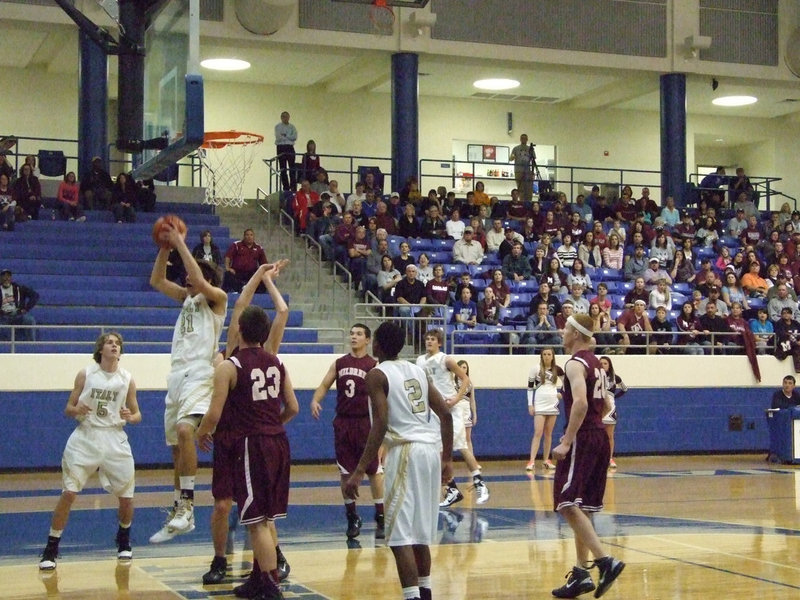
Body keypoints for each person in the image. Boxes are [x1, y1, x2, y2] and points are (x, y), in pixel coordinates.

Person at [196, 304, 299, 600]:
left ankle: (269, 584)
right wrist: (271, 424)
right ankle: (258, 577)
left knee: (256, 522)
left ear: (239, 329)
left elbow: (214, 415)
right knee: (266, 518)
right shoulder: (277, 363)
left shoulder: (229, 366)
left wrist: (201, 432)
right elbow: (293, 407)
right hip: (278, 442)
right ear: (265, 334)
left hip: (252, 444)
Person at [343, 321, 453, 600]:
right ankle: (425, 592)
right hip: (430, 451)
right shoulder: (418, 370)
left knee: (399, 535)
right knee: (419, 533)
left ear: (377, 345)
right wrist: (448, 460)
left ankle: (412, 597)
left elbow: (379, 424)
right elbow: (447, 415)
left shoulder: (376, 374)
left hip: (406, 451)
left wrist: (358, 471)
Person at [149, 223, 228, 543]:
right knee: (175, 450)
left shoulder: (217, 300)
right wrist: (165, 248)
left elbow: (196, 278)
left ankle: (189, 506)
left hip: (200, 372)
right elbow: (156, 280)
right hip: (176, 375)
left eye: (193, 275)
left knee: (185, 431)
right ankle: (180, 507)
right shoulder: (186, 298)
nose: (187, 278)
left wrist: (180, 242)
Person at [38, 332, 141, 570]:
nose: (114, 346)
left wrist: (130, 416)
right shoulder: (86, 374)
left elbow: (137, 414)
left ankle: (124, 539)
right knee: (69, 493)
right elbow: (68, 408)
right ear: (101, 349)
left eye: (117, 343)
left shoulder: (127, 379)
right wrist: (77, 409)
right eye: (109, 342)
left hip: (115, 437)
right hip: (86, 436)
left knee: (127, 496)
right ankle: (51, 547)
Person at [550, 313, 625, 599]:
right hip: (599, 435)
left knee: (566, 502)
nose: (562, 332)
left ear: (577, 334)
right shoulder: (597, 363)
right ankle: (581, 573)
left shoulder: (574, 363)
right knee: (581, 506)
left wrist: (567, 440)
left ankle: (605, 561)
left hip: (583, 436)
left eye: (566, 328)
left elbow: (580, 403)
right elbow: (606, 403)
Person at [310, 324, 385, 540]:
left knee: (374, 471)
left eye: (359, 334)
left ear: (368, 340)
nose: (354, 337)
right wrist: (316, 399)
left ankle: (380, 516)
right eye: (352, 333)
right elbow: (324, 384)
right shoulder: (340, 363)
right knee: (345, 473)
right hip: (344, 423)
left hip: (366, 423)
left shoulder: (375, 364)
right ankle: (352, 516)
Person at [417, 328, 489, 507]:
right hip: (433, 411)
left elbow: (465, 379)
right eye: (427, 339)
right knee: (448, 449)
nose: (429, 342)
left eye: (433, 339)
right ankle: (453, 489)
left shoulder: (445, 359)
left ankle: (478, 483)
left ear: (439, 343)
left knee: (454, 448)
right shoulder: (419, 361)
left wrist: (456, 398)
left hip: (451, 410)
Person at [526, 347, 563, 471]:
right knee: (538, 433)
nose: (547, 356)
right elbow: (530, 388)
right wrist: (530, 404)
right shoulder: (535, 369)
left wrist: (561, 394)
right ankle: (531, 461)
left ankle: (546, 460)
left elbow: (567, 384)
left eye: (549, 354)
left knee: (548, 433)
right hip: (540, 402)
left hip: (552, 403)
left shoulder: (557, 369)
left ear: (553, 356)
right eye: (545, 354)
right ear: (541, 356)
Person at [599, 355, 627, 470]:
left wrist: (614, 397)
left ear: (609, 365)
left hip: (610, 409)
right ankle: (598, 458)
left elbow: (625, 389)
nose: (603, 365)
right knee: (598, 436)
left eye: (605, 363)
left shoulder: (615, 378)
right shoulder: (595, 377)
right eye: (600, 363)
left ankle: (609, 458)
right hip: (598, 408)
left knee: (609, 435)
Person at [223, 229, 268, 293]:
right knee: (228, 274)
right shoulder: (236, 245)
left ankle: (255, 294)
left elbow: (264, 264)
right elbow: (228, 256)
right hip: (237, 273)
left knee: (264, 278)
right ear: (244, 236)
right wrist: (228, 268)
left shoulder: (259, 248)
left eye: (251, 235)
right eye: (247, 235)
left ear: (254, 237)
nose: (249, 237)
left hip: (252, 274)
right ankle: (241, 289)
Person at [0, 268, 39, 342]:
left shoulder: (19, 288)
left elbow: (35, 296)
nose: (6, 278)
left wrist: (26, 308)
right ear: (0, 278)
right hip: (2, 316)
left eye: (8, 276)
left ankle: (31, 345)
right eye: (4, 276)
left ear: (11, 278)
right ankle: (6, 348)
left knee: (29, 320)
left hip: (17, 315)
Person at [455, 360, 478, 458]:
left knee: (467, 438)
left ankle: (472, 461)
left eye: (465, 367)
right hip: (456, 410)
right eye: (460, 367)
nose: (462, 369)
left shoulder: (470, 384)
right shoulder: (452, 382)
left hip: (466, 411)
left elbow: (472, 400)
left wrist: (475, 414)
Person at [275, 111, 297, 191]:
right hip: (281, 147)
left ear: (289, 117)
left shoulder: (292, 127)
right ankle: (286, 187)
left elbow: (294, 137)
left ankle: (293, 186)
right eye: (283, 117)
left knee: (292, 168)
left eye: (287, 116)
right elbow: (278, 137)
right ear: (281, 118)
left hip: (290, 147)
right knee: (283, 169)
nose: (285, 118)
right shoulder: (277, 127)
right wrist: (288, 137)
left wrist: (285, 135)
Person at [510, 133, 533, 202]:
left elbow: (533, 159)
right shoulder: (516, 148)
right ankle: (522, 201)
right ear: (520, 139)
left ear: (527, 139)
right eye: (522, 138)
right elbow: (511, 158)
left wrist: (532, 172)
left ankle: (529, 201)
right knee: (520, 187)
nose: (523, 140)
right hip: (518, 170)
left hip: (527, 171)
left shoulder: (530, 149)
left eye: (525, 138)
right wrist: (513, 157)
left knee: (529, 188)